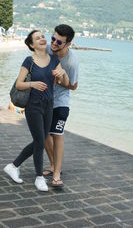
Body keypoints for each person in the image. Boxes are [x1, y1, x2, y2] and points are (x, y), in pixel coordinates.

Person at [4, 30, 69, 191]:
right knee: (40, 141)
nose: (42, 39)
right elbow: (19, 84)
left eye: (42, 36)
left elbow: (66, 83)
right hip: (33, 106)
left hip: (49, 105)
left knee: (39, 141)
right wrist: (32, 84)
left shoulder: (54, 60)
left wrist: (63, 73)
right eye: (37, 38)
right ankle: (39, 177)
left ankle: (13, 166)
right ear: (32, 45)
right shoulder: (29, 61)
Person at [44, 24, 78, 187]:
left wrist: (61, 78)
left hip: (61, 102)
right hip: (44, 99)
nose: (54, 43)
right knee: (43, 134)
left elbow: (74, 86)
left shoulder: (71, 62)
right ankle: (52, 165)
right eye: (53, 38)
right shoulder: (48, 50)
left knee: (57, 134)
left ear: (68, 44)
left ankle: (56, 174)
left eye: (59, 42)